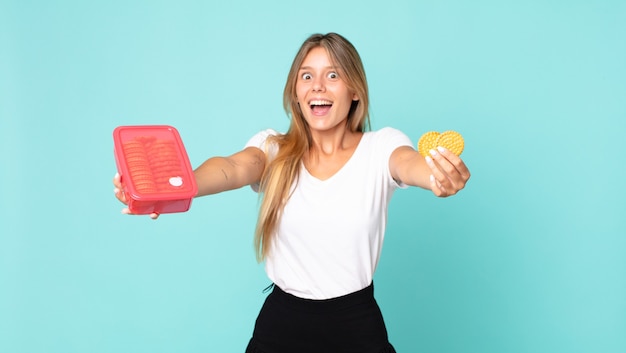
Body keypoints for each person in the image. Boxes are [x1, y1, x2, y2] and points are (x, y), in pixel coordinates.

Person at [113, 32, 470, 353]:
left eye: (333, 75)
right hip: (282, 325)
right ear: (296, 93)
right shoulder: (273, 150)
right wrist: (173, 184)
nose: (318, 85)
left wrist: (438, 176)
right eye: (307, 75)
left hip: (355, 324)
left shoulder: (381, 147)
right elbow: (233, 168)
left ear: (355, 90)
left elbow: (410, 164)